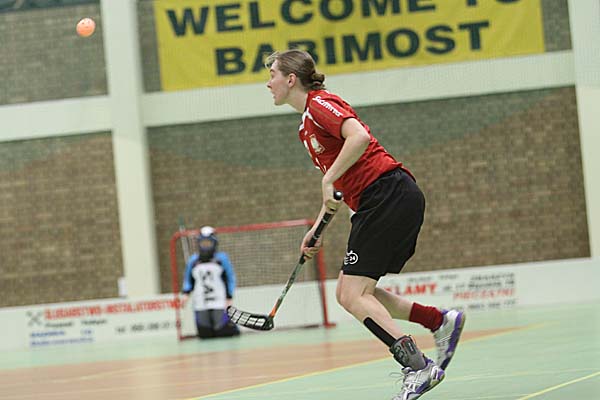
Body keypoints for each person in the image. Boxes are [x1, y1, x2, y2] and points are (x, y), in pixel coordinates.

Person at [265, 49, 465, 400]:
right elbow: (340, 188)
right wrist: (317, 229)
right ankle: (437, 320)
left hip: (387, 194)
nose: (268, 84)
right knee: (350, 291)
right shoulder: (306, 126)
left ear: (291, 79)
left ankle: (418, 366)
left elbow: (359, 137)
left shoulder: (319, 103)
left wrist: (328, 179)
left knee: (352, 294)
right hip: (380, 200)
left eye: (272, 75)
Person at [181, 226, 240, 339]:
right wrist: (185, 294)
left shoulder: (222, 259)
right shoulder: (193, 261)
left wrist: (229, 297)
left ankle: (233, 327)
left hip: (219, 302)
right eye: (203, 243)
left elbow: (230, 278)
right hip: (200, 303)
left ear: (214, 243)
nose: (206, 246)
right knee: (205, 334)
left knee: (223, 332)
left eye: (208, 243)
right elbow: (188, 280)